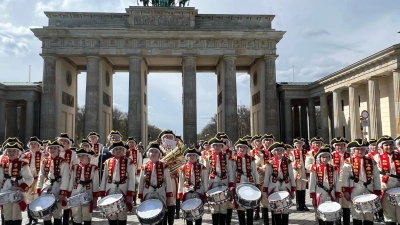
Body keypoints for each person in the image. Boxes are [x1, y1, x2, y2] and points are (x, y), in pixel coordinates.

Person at [342, 139, 381, 225]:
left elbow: (377, 177)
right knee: (357, 213)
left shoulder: (371, 160)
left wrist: (377, 191)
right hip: (355, 188)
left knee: (369, 213)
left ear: (366, 150)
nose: (360, 151)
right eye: (357, 149)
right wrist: (346, 191)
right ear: (353, 150)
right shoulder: (349, 161)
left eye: (362, 149)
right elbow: (345, 177)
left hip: (368, 188)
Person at [99, 141, 135, 225]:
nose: (118, 151)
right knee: (111, 214)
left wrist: (130, 194)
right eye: (116, 149)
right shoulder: (108, 162)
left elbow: (131, 179)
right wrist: (102, 193)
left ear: (124, 150)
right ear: (113, 151)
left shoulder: (129, 162)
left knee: (122, 214)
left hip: (123, 189)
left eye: (120, 149)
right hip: (110, 189)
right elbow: (104, 178)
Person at [138, 142, 173, 225]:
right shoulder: (144, 166)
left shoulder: (164, 166)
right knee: (148, 213)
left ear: (159, 154)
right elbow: (141, 182)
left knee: (160, 214)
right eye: (151, 151)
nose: (153, 153)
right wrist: (140, 195)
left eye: (156, 152)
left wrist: (169, 197)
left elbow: (168, 181)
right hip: (148, 192)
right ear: (148, 154)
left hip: (160, 192)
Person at [36, 140, 70, 225]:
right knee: (46, 214)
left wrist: (62, 193)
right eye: (50, 148)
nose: (52, 149)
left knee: (57, 214)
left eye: (54, 148)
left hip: (57, 188)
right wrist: (39, 188)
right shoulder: (45, 161)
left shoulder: (64, 162)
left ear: (59, 149)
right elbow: (41, 175)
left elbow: (65, 178)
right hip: (47, 188)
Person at [0, 140, 34, 225]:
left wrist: (21, 187)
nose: (11, 153)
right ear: (6, 152)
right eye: (9, 151)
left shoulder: (22, 164)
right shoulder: (3, 164)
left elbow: (30, 178)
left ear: (18, 152)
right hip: (5, 192)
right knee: (7, 215)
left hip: (17, 193)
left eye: (14, 151)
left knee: (16, 215)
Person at [263, 142, 295, 225]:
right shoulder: (269, 163)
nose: (279, 152)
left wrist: (293, 190)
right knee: (276, 209)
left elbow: (291, 176)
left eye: (281, 150)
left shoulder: (288, 162)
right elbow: (266, 177)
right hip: (274, 186)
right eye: (277, 150)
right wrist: (266, 191)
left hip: (286, 185)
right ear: (273, 152)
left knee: (285, 209)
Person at [205, 137, 234, 225]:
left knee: (223, 207)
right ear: (212, 147)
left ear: (222, 146)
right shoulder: (208, 157)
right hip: (213, 183)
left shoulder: (226, 157)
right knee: (215, 207)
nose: (217, 147)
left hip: (224, 182)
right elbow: (206, 173)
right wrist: (206, 188)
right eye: (215, 145)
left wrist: (231, 184)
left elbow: (230, 171)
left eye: (219, 145)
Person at [309, 144, 341, 225]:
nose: (325, 159)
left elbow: (336, 182)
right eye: (323, 157)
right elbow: (312, 183)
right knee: (320, 213)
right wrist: (313, 197)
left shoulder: (333, 168)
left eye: (327, 157)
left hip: (331, 193)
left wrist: (337, 195)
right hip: (320, 193)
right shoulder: (315, 168)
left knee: (330, 213)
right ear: (319, 158)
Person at [68, 148, 100, 225]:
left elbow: (96, 184)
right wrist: (69, 194)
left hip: (88, 191)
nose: (81, 158)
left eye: (83, 156)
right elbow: (71, 181)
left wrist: (95, 198)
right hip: (76, 191)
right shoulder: (75, 167)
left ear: (88, 157)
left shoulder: (94, 168)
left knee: (87, 214)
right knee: (76, 214)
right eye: (79, 156)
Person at [177, 147, 208, 225]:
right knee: (188, 212)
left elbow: (204, 181)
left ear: (196, 156)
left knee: (198, 213)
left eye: (193, 155)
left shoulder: (201, 167)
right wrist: (180, 192)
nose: (191, 157)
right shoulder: (183, 167)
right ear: (187, 157)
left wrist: (205, 192)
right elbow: (181, 181)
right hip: (187, 192)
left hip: (198, 191)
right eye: (190, 155)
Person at [373, 135, 400, 225]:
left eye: (390, 144)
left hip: (398, 187)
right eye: (386, 145)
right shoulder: (377, 157)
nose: (389, 147)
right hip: (386, 188)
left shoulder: (399, 155)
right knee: (389, 216)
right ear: (382, 147)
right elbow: (376, 174)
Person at [232, 139, 259, 225]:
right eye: (240, 147)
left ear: (247, 149)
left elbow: (255, 172)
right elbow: (232, 173)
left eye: (244, 147)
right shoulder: (234, 159)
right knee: (240, 204)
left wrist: (257, 185)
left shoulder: (251, 159)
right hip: (239, 182)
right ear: (237, 149)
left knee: (250, 203)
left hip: (250, 181)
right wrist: (232, 185)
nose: (242, 149)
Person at [21, 136, 45, 225]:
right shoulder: (25, 155)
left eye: (34, 144)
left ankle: (36, 217)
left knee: (36, 197)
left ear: (38, 145)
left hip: (38, 178)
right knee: (28, 198)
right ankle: (29, 217)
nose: (33, 145)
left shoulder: (42, 155)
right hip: (29, 179)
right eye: (31, 144)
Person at [57, 133, 78, 225]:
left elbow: (76, 167)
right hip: (57, 180)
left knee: (67, 200)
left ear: (69, 143)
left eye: (64, 141)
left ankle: (66, 220)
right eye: (61, 141)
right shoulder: (57, 152)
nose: (62, 142)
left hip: (69, 179)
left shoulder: (73, 154)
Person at [158, 130, 179, 222]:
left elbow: (181, 164)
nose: (168, 139)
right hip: (160, 179)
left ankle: (171, 220)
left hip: (172, 178)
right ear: (162, 139)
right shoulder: (157, 149)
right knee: (161, 199)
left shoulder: (177, 149)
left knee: (171, 200)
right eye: (166, 137)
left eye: (170, 137)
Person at [330, 137, 350, 225]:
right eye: (337, 145)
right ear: (335, 147)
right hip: (335, 183)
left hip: (346, 183)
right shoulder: (330, 156)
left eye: (342, 145)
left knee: (346, 204)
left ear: (345, 146)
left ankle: (346, 222)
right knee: (336, 203)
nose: (340, 147)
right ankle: (337, 222)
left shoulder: (350, 156)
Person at [250, 134, 269, 222]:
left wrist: (264, 167)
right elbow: (249, 164)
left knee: (264, 195)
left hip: (264, 175)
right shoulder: (251, 152)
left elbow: (269, 161)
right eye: (257, 141)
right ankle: (256, 212)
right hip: (255, 175)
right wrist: (258, 167)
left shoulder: (266, 152)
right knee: (256, 195)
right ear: (254, 143)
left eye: (260, 141)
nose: (259, 143)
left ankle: (265, 214)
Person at [290, 137, 309, 211]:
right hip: (297, 171)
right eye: (298, 143)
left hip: (304, 171)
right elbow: (290, 162)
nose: (299, 144)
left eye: (301, 143)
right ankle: (298, 205)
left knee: (303, 187)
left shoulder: (306, 152)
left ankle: (303, 204)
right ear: (295, 144)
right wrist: (295, 165)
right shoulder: (292, 152)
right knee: (298, 188)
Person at [125, 137, 143, 206]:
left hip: (135, 171)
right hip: (128, 171)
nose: (131, 144)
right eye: (130, 143)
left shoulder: (137, 152)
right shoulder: (126, 151)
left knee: (135, 186)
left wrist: (138, 170)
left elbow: (140, 161)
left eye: (132, 143)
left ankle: (134, 200)